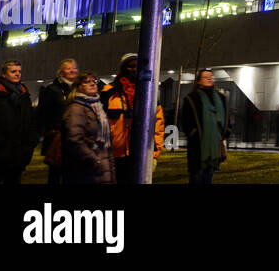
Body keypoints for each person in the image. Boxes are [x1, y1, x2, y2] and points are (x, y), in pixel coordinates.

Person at [102, 52, 164, 184]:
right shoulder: (109, 91)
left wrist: (154, 155)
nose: (134, 69)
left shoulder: (148, 92)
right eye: (130, 66)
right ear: (123, 68)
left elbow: (158, 125)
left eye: (137, 66)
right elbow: (100, 123)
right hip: (115, 155)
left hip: (141, 153)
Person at [60, 71, 115, 184]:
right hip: (86, 168)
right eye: (87, 82)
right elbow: (74, 140)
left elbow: (106, 140)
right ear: (78, 87)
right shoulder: (76, 108)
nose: (93, 84)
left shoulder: (97, 107)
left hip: (102, 165)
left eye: (94, 81)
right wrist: (95, 160)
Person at [178, 68, 230, 184]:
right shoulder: (191, 98)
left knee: (209, 174)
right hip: (198, 145)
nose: (209, 79)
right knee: (197, 176)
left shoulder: (220, 98)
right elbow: (186, 121)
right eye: (206, 77)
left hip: (215, 144)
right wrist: (193, 133)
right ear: (198, 81)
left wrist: (226, 131)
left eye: (210, 77)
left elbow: (226, 117)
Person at [37, 58, 77, 185]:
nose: (72, 70)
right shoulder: (52, 90)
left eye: (74, 67)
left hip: (75, 137)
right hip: (57, 137)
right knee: (55, 172)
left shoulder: (78, 89)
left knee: (72, 174)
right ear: (60, 72)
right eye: (68, 68)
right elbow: (43, 113)